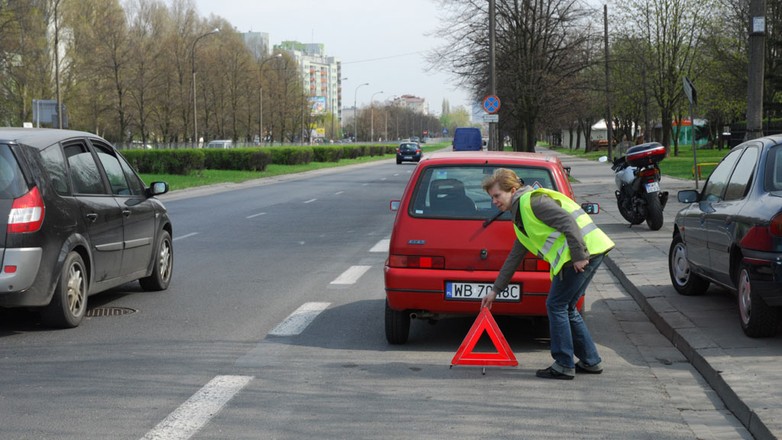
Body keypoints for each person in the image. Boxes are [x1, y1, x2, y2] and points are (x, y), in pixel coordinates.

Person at [480, 168, 615, 380]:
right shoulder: (520, 217)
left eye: (497, 195)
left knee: (556, 305)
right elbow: (514, 257)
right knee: (567, 307)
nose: (494, 201)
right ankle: (590, 361)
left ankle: (563, 364)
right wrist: (495, 290)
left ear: (512, 189)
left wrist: (579, 255)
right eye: (491, 198)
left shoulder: (532, 203)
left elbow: (567, 221)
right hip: (589, 252)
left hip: (582, 254)